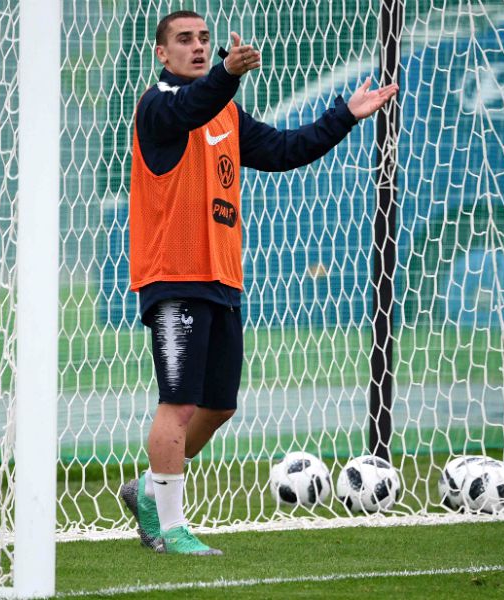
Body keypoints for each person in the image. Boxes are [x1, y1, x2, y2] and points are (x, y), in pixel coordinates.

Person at [119, 10, 398, 556]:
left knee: (218, 407)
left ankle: (149, 489)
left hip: (222, 278)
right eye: (184, 40)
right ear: (162, 53)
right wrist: (228, 72)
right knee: (176, 404)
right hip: (174, 276)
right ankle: (171, 527)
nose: (197, 47)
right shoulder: (157, 106)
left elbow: (285, 150)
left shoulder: (225, 112)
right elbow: (189, 106)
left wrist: (346, 115)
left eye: (204, 38)